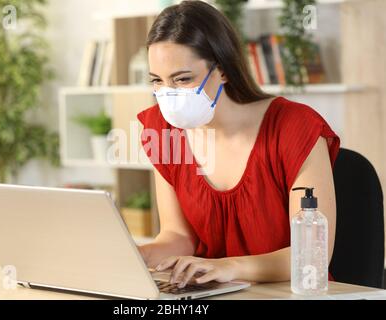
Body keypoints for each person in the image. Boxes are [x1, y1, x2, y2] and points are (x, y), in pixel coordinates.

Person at [136, 0, 340, 289]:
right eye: (157, 81)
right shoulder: (164, 130)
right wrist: (136, 255)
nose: (168, 94)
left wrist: (230, 267)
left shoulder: (295, 127)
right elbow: (177, 237)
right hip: (211, 293)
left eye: (182, 79)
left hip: (291, 293)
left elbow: (310, 257)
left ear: (223, 71)